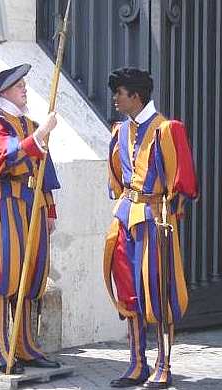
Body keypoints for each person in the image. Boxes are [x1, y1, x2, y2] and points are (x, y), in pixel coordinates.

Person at [103, 68, 198, 389]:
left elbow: (182, 182)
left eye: (120, 92)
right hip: (125, 217)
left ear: (136, 95)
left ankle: (164, 365)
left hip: (155, 218)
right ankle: (137, 364)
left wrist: (169, 214)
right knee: (129, 292)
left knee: (159, 292)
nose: (115, 98)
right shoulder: (119, 131)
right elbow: (115, 177)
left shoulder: (167, 130)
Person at [0, 64, 61, 374]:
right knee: (4, 275)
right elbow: (5, 157)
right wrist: (41, 134)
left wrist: (49, 210)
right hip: (6, 203)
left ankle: (24, 346)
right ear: (5, 91)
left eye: (24, 84)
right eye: (19, 85)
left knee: (32, 274)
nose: (24, 88)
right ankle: (0, 348)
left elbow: (44, 171)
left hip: (32, 205)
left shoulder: (32, 124)